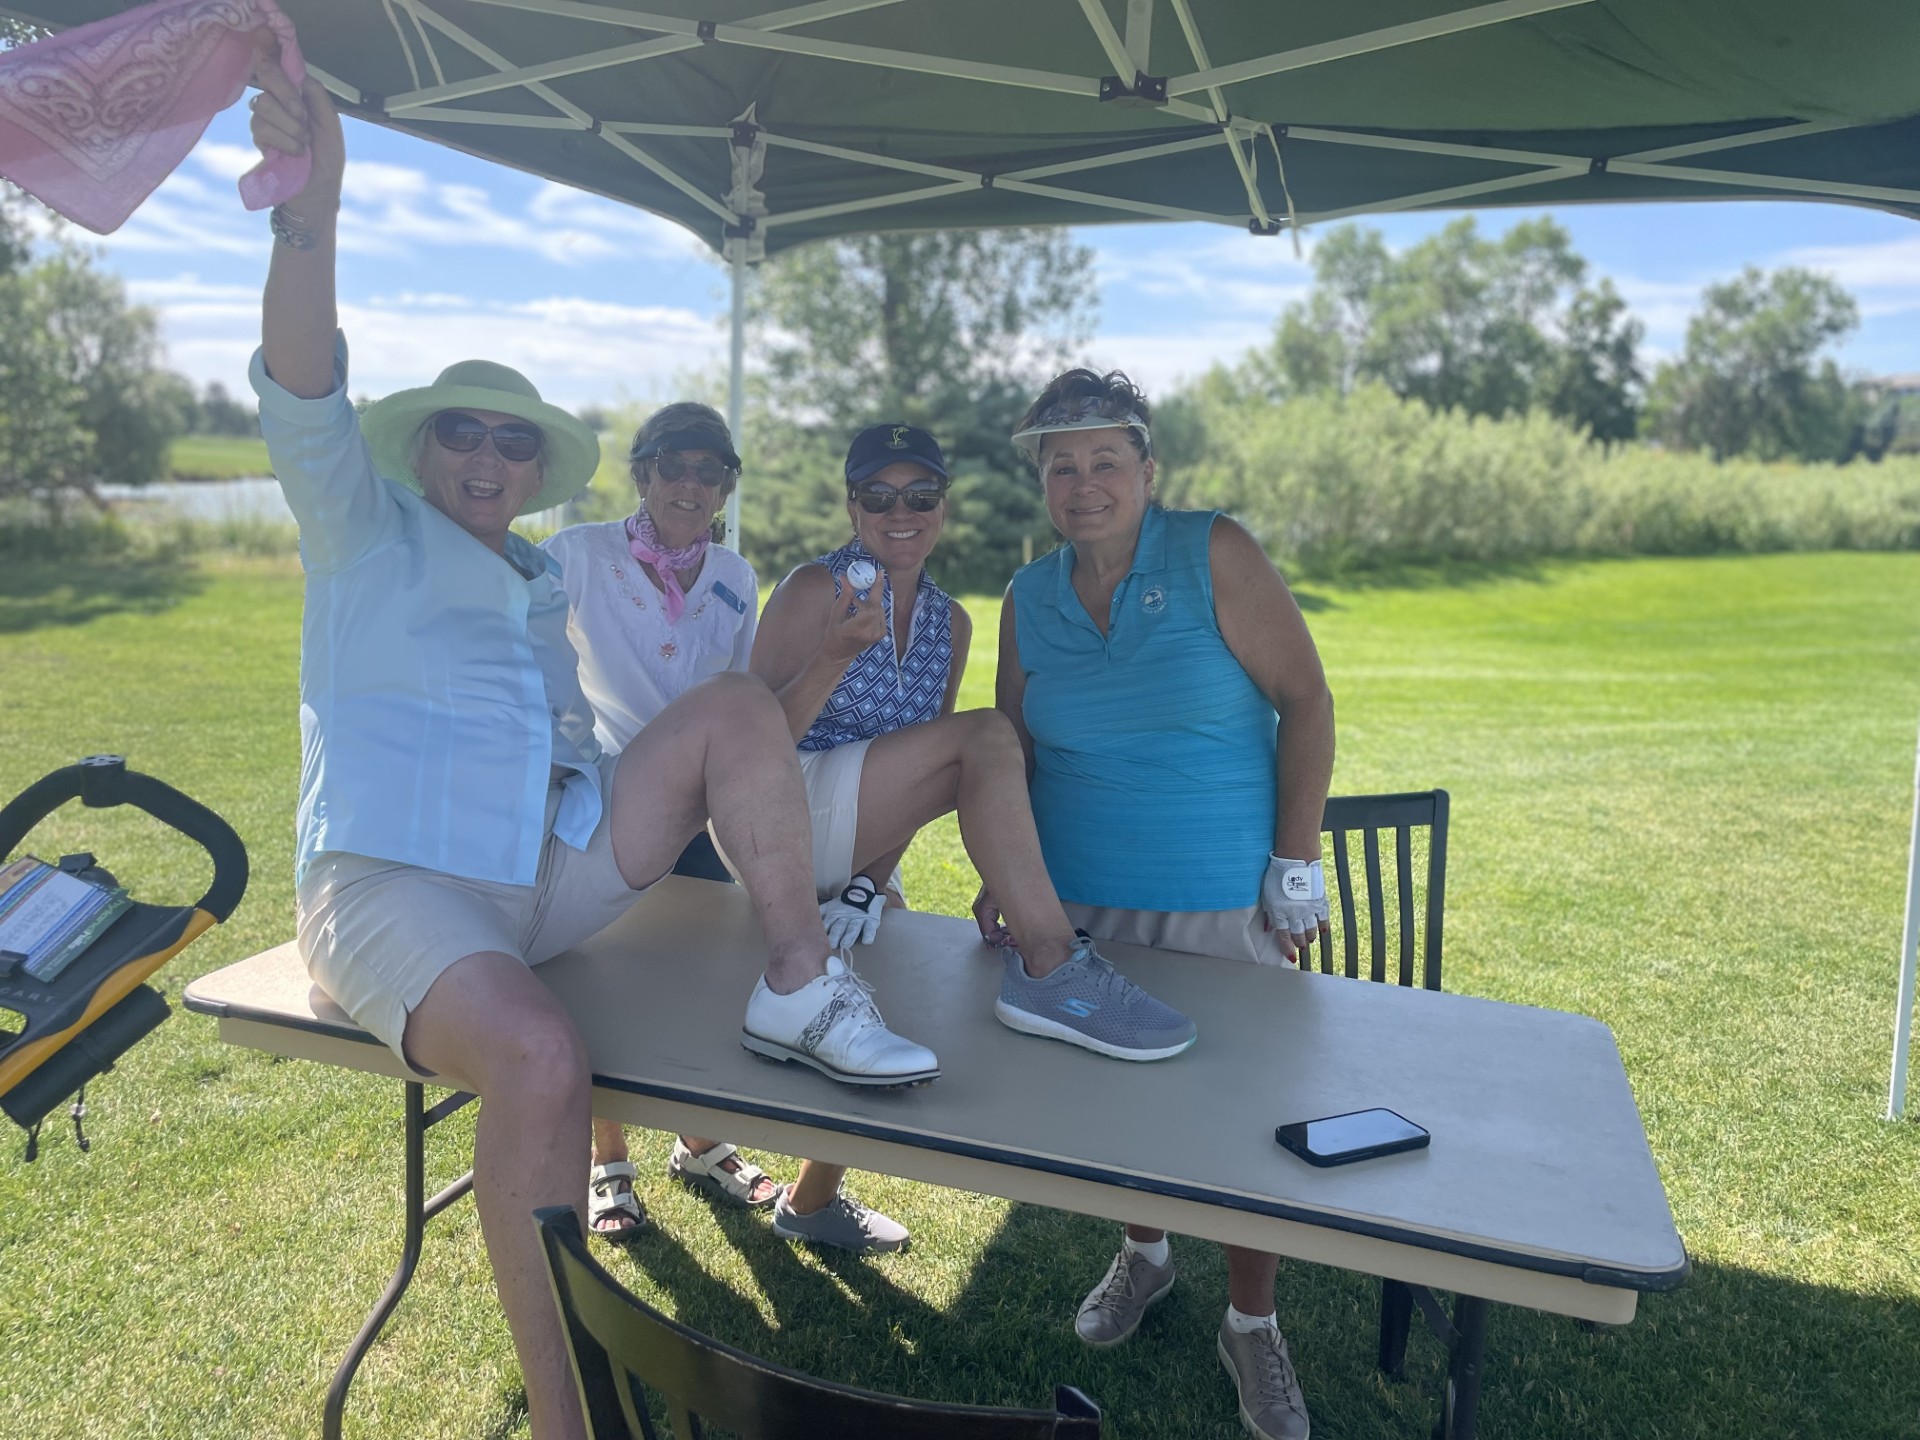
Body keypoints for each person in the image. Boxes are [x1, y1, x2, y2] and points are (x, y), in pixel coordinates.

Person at [245, 64, 936, 1440]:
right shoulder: (364, 531)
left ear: (534, 466)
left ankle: (800, 983)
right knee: (545, 1057)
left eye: (514, 440)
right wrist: (308, 215)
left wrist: (630, 808)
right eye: (463, 432)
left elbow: (586, 742)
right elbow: (304, 387)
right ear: (424, 449)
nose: (487, 455)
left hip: (543, 874)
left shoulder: (536, 580)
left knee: (734, 711)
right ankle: (574, 1419)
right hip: (392, 884)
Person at [976, 370, 1336, 1440]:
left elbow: (1307, 698)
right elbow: (1010, 750)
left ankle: (1253, 1322)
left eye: (1105, 461)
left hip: (1218, 899)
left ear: (1146, 469)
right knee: (1123, 1103)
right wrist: (1010, 878)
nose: (1083, 484)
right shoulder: (1027, 596)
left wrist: (1295, 862)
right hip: (1081, 910)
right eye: (1062, 466)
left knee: (1244, 1118)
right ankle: (1145, 1253)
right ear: (1041, 481)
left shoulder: (1213, 549)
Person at [744, 422, 1197, 1254]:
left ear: (943, 508)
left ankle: (809, 1201)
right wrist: (834, 657)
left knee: (883, 1004)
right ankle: (1052, 961)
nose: (901, 512)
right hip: (778, 816)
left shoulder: (950, 622)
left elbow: (926, 780)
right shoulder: (815, 588)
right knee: (990, 735)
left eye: (921, 495)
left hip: (856, 839)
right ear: (852, 506)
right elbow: (749, 747)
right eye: (879, 495)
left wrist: (868, 883)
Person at [543, 403, 780, 1236]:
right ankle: (608, 1158)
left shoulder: (736, 576)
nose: (690, 484)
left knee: (706, 978)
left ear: (725, 488)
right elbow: (522, 654)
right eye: (673, 465)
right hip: (603, 802)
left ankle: (701, 1141)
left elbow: (742, 700)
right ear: (642, 473)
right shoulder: (577, 553)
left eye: (709, 471)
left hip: (701, 814)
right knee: (599, 981)